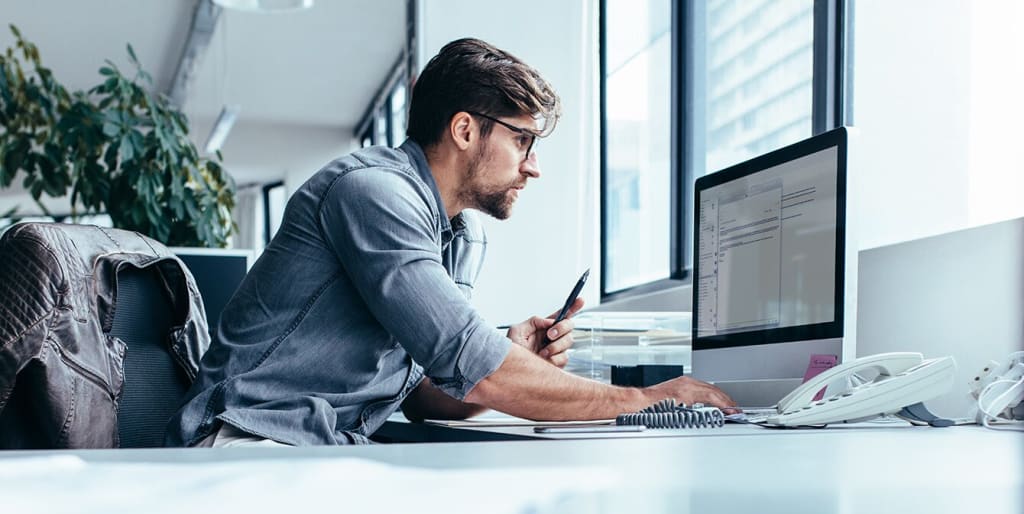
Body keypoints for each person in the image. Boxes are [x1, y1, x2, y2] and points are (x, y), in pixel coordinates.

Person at [165, 38, 735, 448]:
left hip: (324, 447)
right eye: (523, 140)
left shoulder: (461, 233)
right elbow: (476, 365)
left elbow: (421, 396)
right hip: (249, 440)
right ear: (465, 130)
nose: (533, 166)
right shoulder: (373, 194)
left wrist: (511, 351)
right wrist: (650, 402)